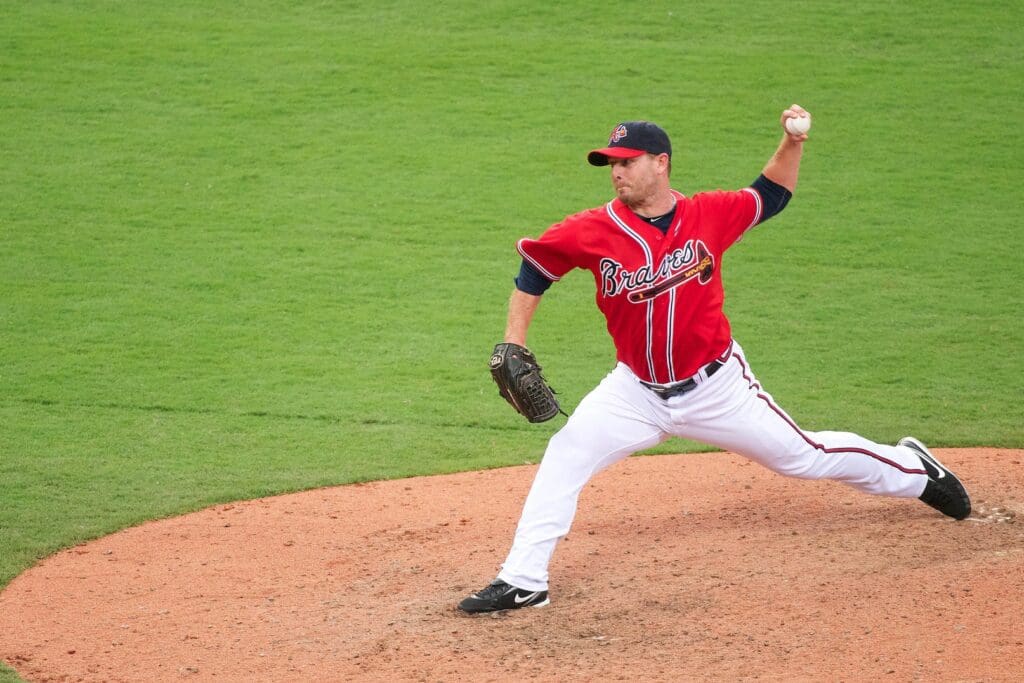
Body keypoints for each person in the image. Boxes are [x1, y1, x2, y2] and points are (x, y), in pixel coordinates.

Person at [457, 106, 971, 614]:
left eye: (626, 161)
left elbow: (770, 195)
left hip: (718, 389)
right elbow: (536, 268)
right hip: (634, 391)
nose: (616, 172)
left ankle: (915, 470)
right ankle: (523, 580)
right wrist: (514, 340)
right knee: (565, 455)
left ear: (661, 163)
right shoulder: (590, 229)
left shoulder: (710, 214)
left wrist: (792, 143)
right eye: (610, 163)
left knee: (804, 457)